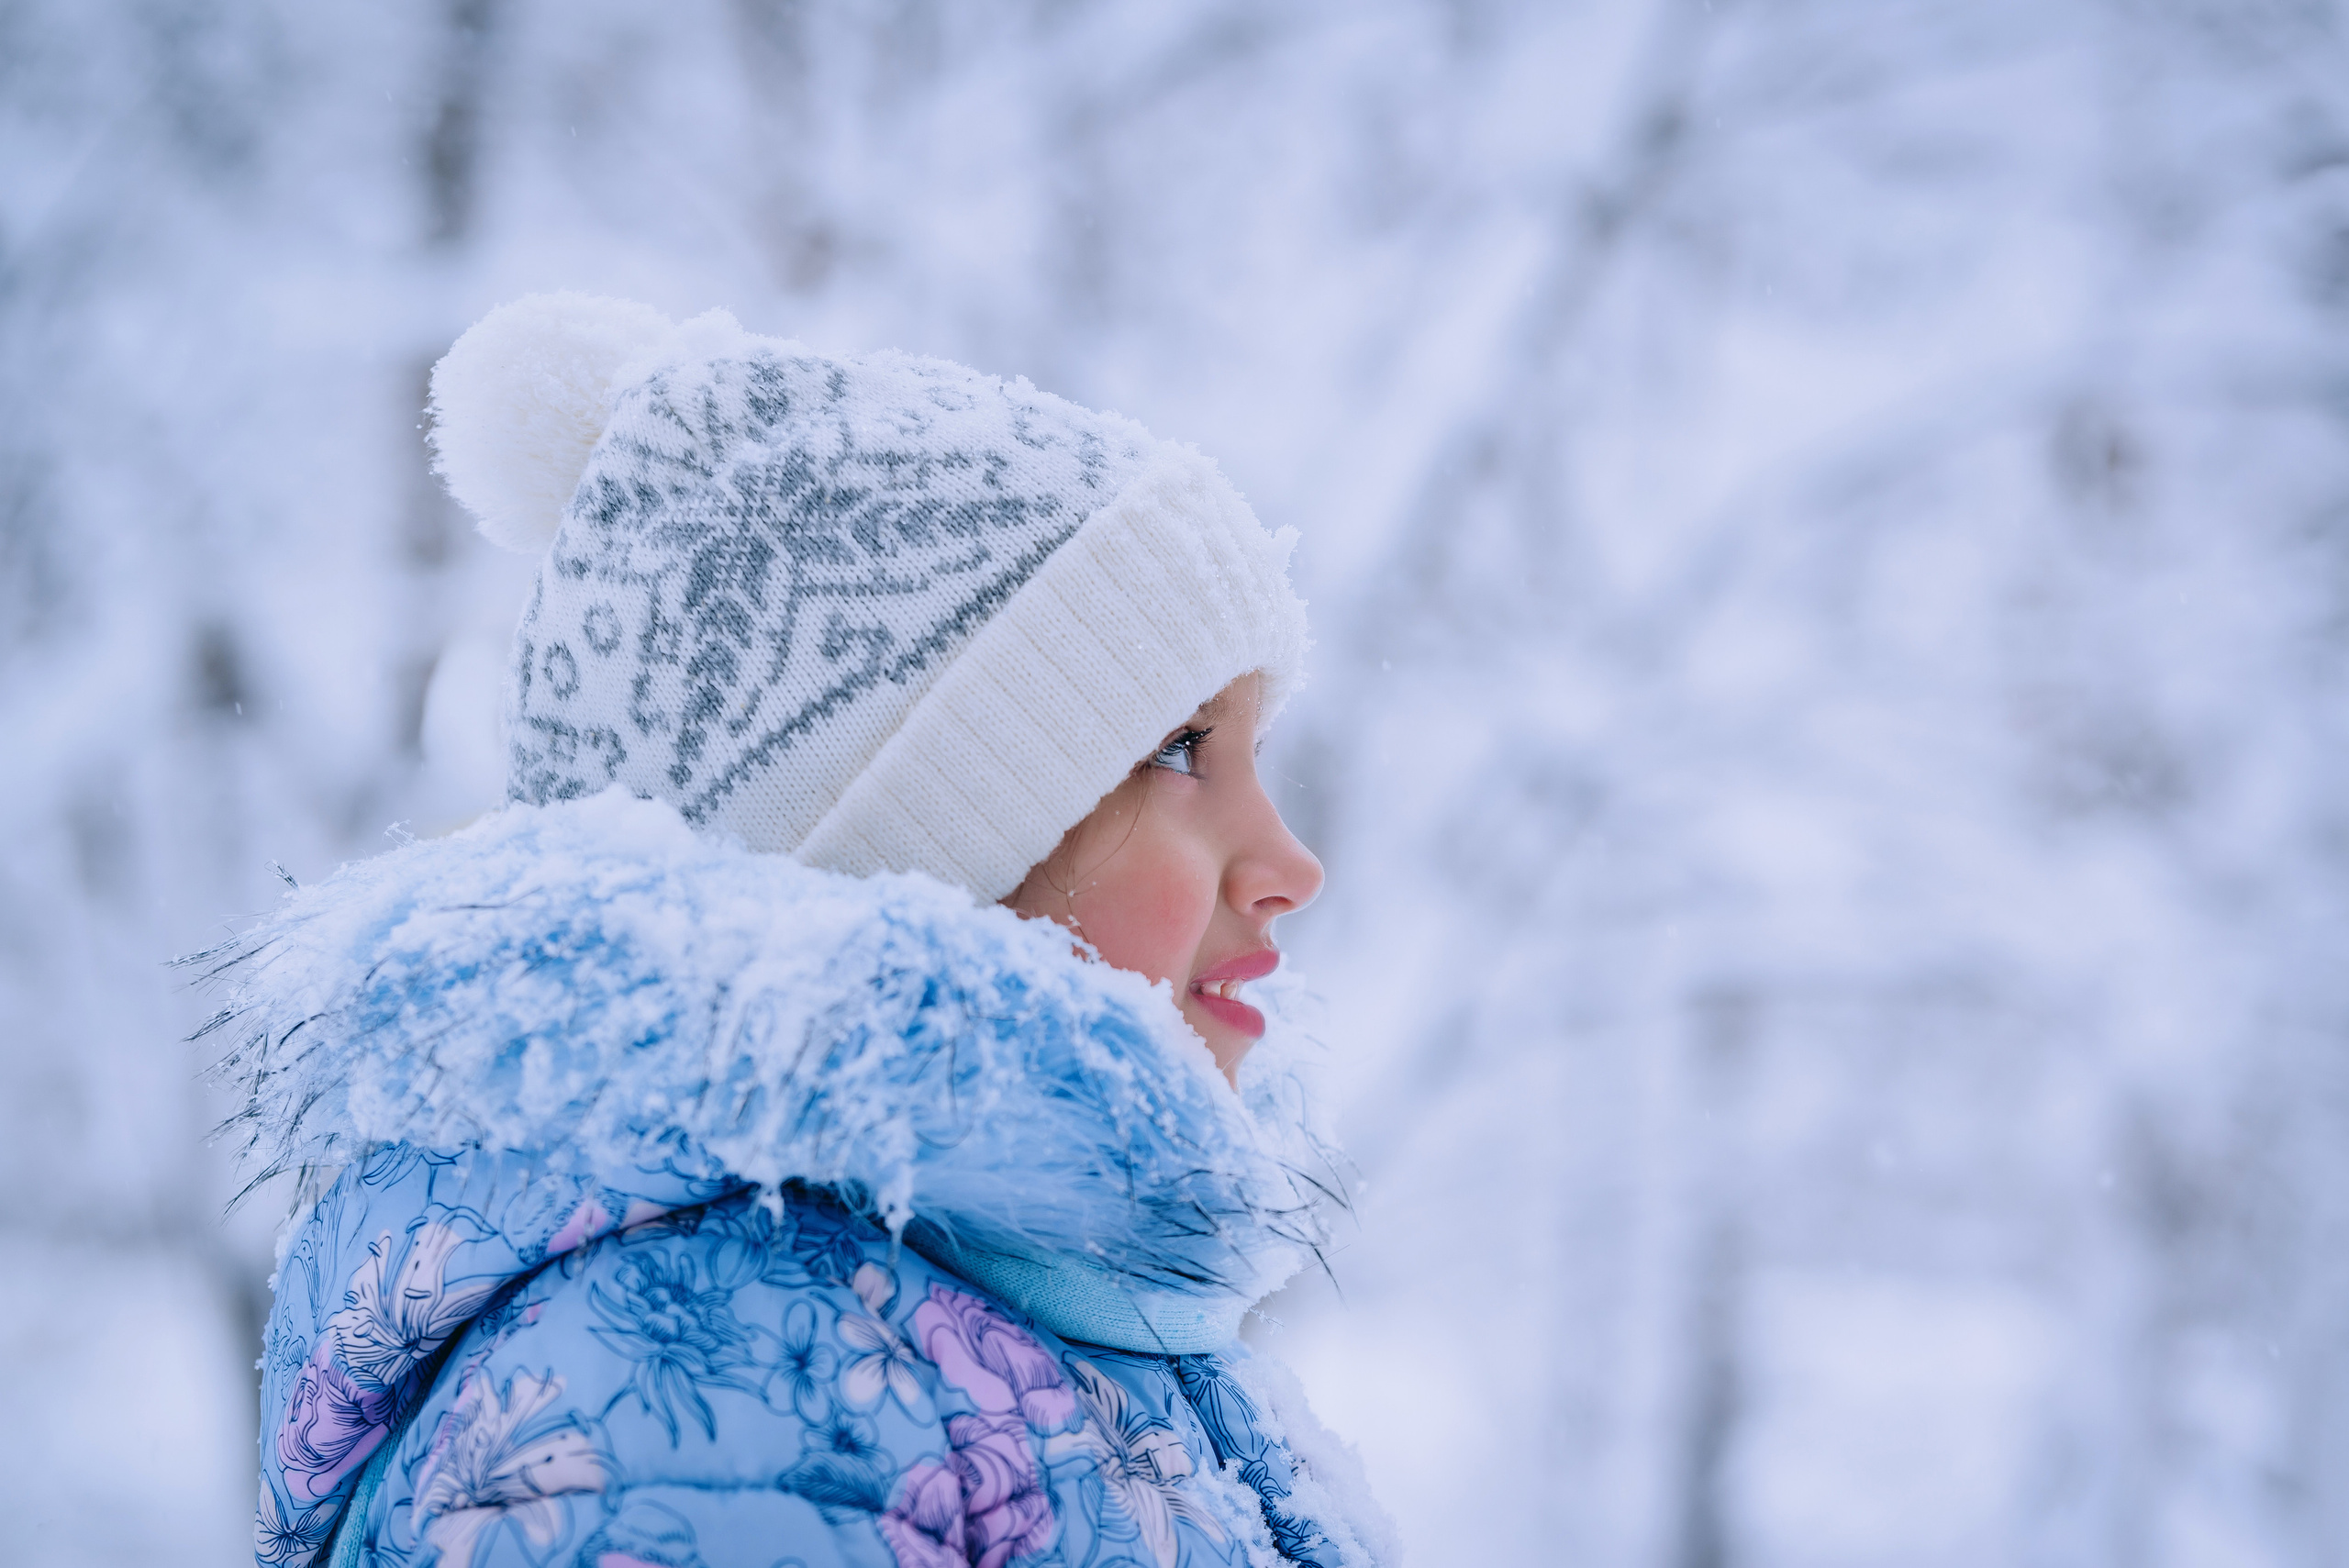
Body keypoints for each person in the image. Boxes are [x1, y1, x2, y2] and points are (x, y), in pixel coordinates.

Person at [205, 295, 1395, 1568]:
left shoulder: (1064, 1324)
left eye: (1253, 756)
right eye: (1180, 748)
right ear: (927, 840)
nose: (1290, 864)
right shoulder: (716, 1379)